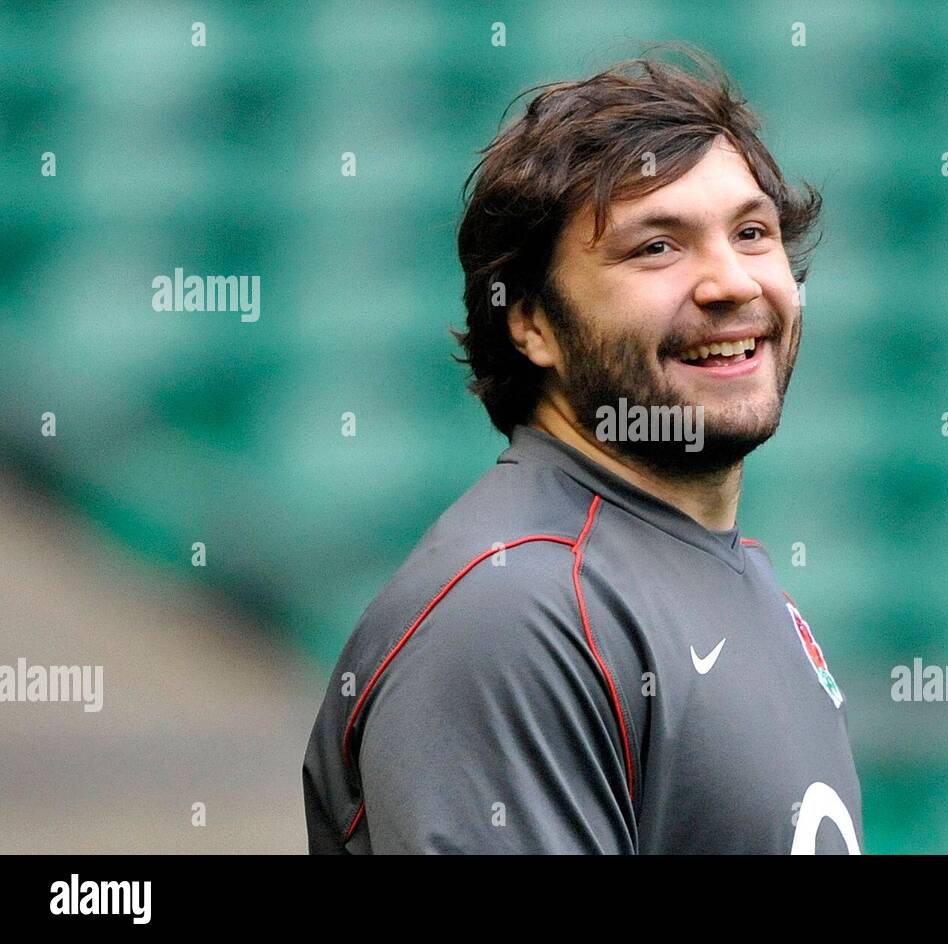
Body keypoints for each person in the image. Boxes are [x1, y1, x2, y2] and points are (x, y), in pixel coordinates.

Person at [302, 45, 863, 854]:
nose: (732, 282)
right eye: (656, 248)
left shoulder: (730, 580)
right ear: (530, 322)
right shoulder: (517, 614)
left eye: (751, 233)